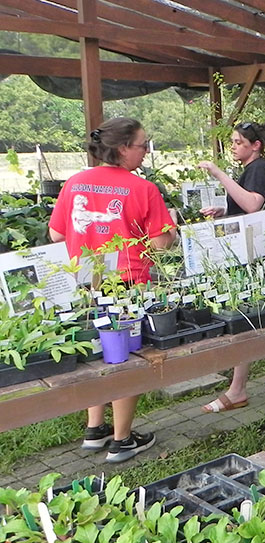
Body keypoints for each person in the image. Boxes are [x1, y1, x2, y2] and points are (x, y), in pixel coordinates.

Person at [49, 117, 176, 463]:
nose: (146, 152)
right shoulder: (142, 188)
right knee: (122, 357)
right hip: (127, 284)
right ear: (123, 149)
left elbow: (57, 235)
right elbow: (160, 244)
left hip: (82, 284)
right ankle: (122, 440)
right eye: (142, 145)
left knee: (93, 352)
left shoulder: (74, 183)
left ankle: (95, 428)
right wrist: (173, 230)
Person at [196, 121, 265, 413]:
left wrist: (217, 172)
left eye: (238, 142)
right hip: (260, 252)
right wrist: (226, 210)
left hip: (257, 256)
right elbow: (252, 206)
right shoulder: (254, 169)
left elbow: (253, 205)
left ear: (255, 146)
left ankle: (237, 390)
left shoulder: (259, 168)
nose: (234, 146)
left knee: (245, 319)